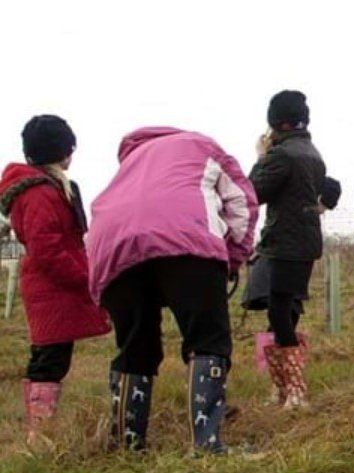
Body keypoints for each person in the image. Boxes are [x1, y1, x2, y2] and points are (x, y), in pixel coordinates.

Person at [87, 126, 257, 452]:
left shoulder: (128, 165)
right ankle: (207, 444)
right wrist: (232, 259)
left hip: (113, 249)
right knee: (207, 340)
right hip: (187, 240)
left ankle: (126, 444)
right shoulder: (200, 145)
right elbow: (242, 200)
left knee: (135, 344)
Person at [0, 115, 110, 442]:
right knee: (49, 359)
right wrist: (83, 277)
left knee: (52, 356)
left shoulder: (44, 188)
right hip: (53, 288)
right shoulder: (40, 193)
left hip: (54, 287)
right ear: (63, 150)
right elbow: (46, 248)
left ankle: (43, 429)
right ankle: (40, 433)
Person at [249, 90, 326, 408]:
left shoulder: (281, 156)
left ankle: (293, 389)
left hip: (283, 242)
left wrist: (260, 158)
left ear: (275, 122)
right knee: (287, 309)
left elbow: (253, 192)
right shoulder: (312, 151)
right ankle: (281, 387)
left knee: (278, 311)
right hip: (306, 241)